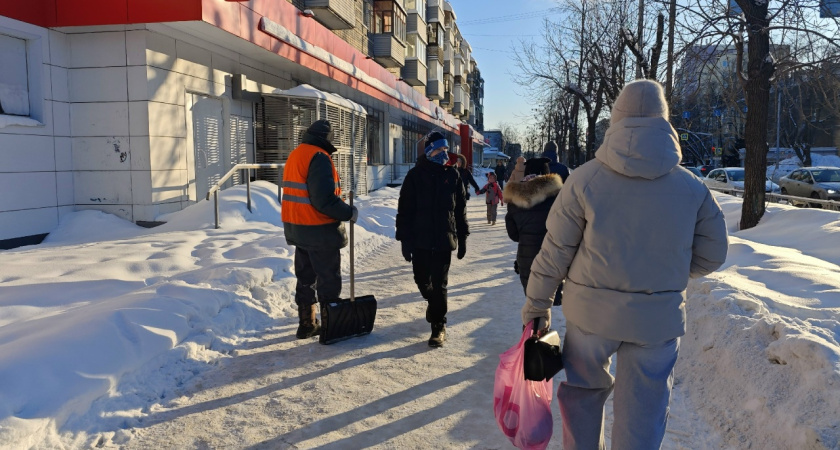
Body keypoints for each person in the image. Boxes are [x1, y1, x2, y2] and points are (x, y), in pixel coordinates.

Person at [521, 80, 729, 449]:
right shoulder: (692, 187)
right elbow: (714, 254)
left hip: (591, 317)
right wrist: (667, 273)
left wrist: (537, 307)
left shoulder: (585, 179)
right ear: (664, 123)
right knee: (644, 414)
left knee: (583, 397)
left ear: (615, 120)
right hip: (656, 321)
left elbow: (555, 252)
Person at [281, 119, 358, 339]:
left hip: (298, 226)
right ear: (327, 138)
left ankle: (307, 323)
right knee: (328, 279)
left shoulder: (297, 154)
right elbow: (323, 200)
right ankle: (330, 327)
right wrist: (348, 212)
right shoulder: (319, 157)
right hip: (318, 228)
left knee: (305, 276)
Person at [396, 131, 470, 348]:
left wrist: (463, 236)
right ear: (429, 152)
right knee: (422, 280)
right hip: (420, 239)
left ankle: (438, 325)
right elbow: (404, 211)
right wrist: (404, 239)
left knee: (440, 284)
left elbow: (460, 210)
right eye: (439, 150)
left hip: (444, 238)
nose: (443, 154)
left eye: (445, 150)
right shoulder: (415, 176)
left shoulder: (453, 176)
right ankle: (433, 302)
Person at [504, 157, 564, 304]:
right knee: (552, 301)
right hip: (554, 256)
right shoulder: (559, 197)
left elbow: (513, 235)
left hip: (526, 258)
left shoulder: (515, 199)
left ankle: (533, 326)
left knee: (534, 305)